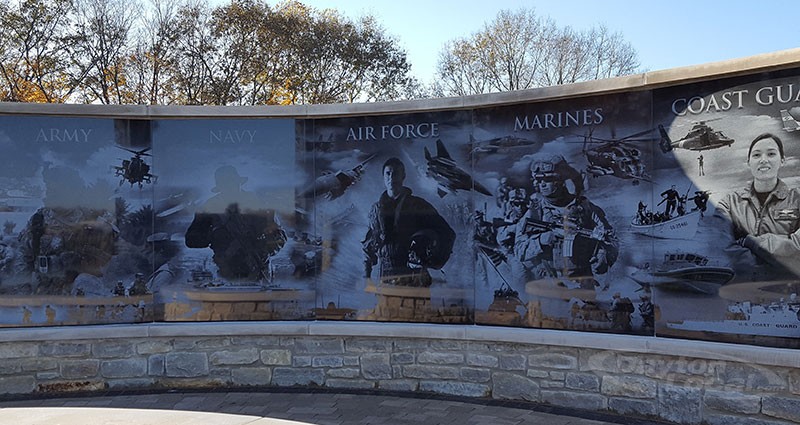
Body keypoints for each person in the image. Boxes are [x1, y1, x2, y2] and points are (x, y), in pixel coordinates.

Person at [514, 155, 618, 290]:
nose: (542, 184)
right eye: (539, 181)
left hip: (582, 282)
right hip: (548, 284)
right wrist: (544, 239)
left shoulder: (585, 207)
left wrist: (603, 255)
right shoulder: (535, 212)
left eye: (548, 180)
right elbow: (519, 251)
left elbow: (612, 239)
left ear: (560, 180)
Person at [363, 157, 455, 287]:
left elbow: (447, 233)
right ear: (383, 177)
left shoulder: (418, 205)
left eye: (396, 173)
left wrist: (433, 261)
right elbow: (370, 242)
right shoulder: (375, 209)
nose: (391, 178)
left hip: (413, 275)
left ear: (403, 176)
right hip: (386, 275)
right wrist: (366, 274)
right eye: (388, 173)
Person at [716, 133, 800, 273]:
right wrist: (784, 251)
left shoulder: (797, 199)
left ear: (782, 160)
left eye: (771, 154)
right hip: (745, 283)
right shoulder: (729, 204)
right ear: (748, 162)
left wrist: (750, 242)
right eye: (756, 155)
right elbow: (718, 244)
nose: (763, 160)